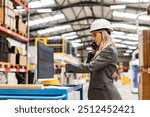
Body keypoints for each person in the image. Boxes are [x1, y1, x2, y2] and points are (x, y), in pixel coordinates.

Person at [57, 19, 122, 100]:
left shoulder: (109, 50)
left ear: (103, 34)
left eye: (95, 35)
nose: (93, 38)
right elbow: (91, 65)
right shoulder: (103, 51)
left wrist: (66, 66)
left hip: (105, 96)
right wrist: (94, 50)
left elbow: (89, 67)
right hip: (100, 94)